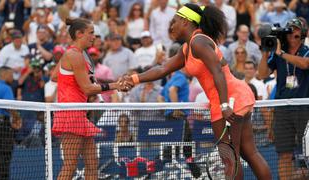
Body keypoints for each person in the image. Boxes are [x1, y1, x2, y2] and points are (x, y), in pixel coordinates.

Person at [120, 3, 271, 179]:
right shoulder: (189, 47)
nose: (171, 26)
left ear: (185, 22)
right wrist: (134, 79)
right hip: (237, 96)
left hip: (228, 101)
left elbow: (218, 73)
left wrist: (224, 105)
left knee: (230, 158)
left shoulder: (198, 42)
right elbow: (162, 68)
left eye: (174, 21)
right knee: (248, 153)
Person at [52, 17, 124, 180]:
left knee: (92, 163)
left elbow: (55, 76)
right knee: (70, 165)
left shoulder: (72, 54)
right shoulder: (74, 55)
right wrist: (115, 85)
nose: (94, 37)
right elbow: (87, 88)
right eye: (91, 33)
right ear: (79, 34)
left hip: (79, 114)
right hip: (71, 113)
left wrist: (77, 80)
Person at [258, 17, 309, 180]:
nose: (292, 32)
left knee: (308, 153)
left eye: (295, 30)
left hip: (304, 108)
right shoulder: (277, 52)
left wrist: (281, 53)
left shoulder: (306, 50)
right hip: (283, 109)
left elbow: (305, 64)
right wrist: (265, 53)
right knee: (284, 154)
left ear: (302, 34)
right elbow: (262, 74)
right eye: (289, 30)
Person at [0, 66, 22, 180]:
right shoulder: (6, 88)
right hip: (2, 126)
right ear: (4, 74)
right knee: (4, 158)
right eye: (11, 74)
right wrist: (17, 118)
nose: (13, 77)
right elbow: (10, 106)